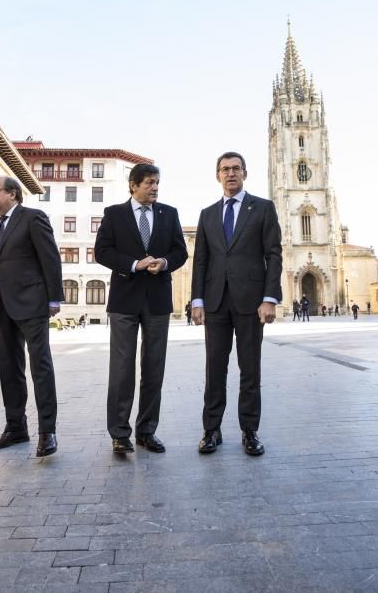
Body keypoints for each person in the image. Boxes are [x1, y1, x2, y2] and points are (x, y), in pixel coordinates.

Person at [191, 152, 282, 457]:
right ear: (218, 175)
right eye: (224, 169)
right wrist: (197, 300)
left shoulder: (263, 208)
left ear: (245, 172)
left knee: (249, 370)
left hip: (251, 303)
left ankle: (250, 431)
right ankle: (211, 430)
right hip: (215, 303)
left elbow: (274, 254)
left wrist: (270, 298)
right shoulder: (207, 214)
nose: (230, 174)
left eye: (235, 169)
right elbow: (201, 261)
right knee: (214, 369)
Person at [95, 163, 188, 455]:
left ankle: (147, 431)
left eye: (157, 182)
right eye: (149, 182)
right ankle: (120, 434)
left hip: (158, 300)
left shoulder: (169, 214)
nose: (155, 188)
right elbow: (103, 252)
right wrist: (135, 265)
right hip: (124, 300)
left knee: (153, 368)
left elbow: (180, 252)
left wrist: (163, 262)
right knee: (122, 369)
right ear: (133, 185)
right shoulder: (114, 214)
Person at [0, 176, 63, 457]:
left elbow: (50, 258)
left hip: (32, 303)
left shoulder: (33, 218)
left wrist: (54, 297)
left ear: (13, 194)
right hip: (2, 307)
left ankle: (47, 432)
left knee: (40, 367)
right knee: (9, 369)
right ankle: (16, 427)